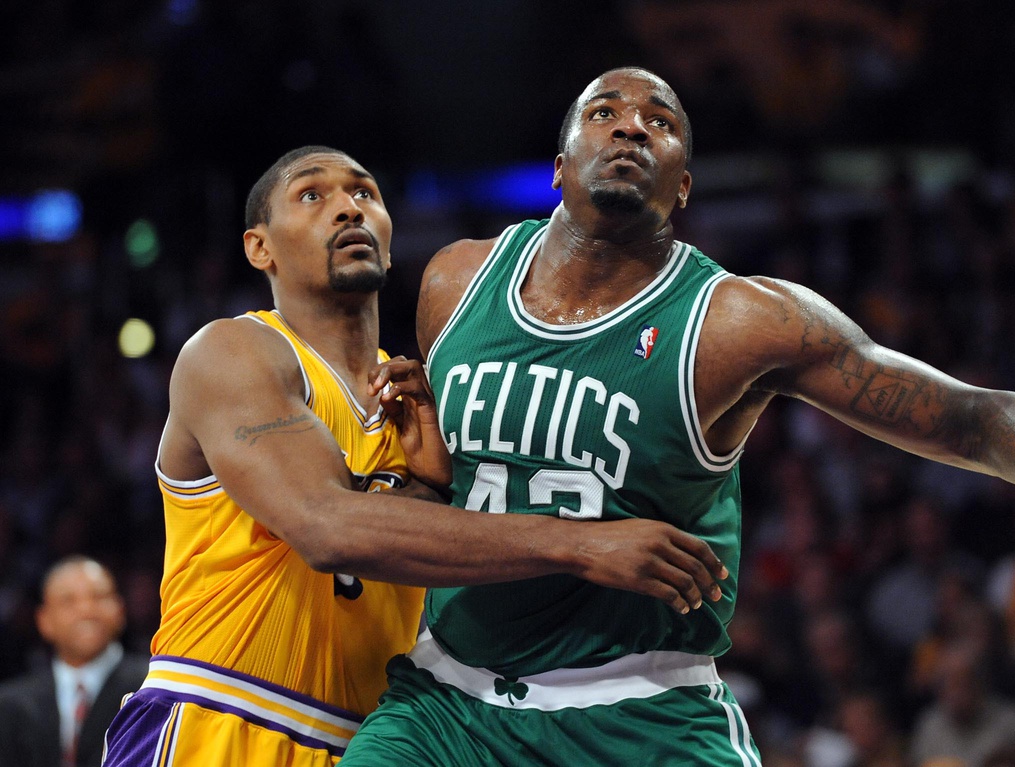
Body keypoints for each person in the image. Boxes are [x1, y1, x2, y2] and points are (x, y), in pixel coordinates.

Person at [342, 67, 1015, 766]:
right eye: (604, 112)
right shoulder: (455, 281)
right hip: (448, 704)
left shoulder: (738, 321)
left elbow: (961, 419)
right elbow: (458, 487)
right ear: (557, 168)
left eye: (661, 122)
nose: (630, 126)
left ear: (683, 184)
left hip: (637, 711)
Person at [100, 145, 728, 766]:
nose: (348, 209)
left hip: (371, 739)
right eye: (312, 195)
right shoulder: (234, 351)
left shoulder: (417, 395)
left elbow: (408, 550)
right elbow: (326, 527)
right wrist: (586, 544)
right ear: (258, 247)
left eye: (364, 194)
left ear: (390, 239)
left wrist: (430, 488)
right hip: (220, 717)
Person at [0, 556, 149, 767]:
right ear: (44, 620)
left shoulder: (151, 688)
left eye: (99, 597)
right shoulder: (9, 706)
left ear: (120, 610)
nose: (86, 610)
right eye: (68, 600)